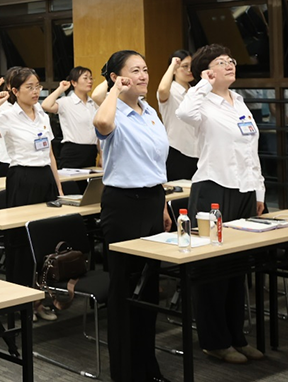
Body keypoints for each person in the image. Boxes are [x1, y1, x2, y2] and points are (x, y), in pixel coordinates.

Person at [176, 44, 264, 364]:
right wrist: (203, 84)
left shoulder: (238, 101)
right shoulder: (200, 101)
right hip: (212, 188)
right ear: (207, 71)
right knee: (212, 270)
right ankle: (215, 341)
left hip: (244, 190)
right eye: (221, 62)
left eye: (231, 60)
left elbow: (251, 150)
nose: (230, 65)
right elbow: (184, 114)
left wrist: (259, 191)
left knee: (237, 267)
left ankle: (236, 336)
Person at [93, 50, 172, 382]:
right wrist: (114, 90)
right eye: (135, 70)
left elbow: (155, 162)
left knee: (149, 289)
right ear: (117, 77)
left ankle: (147, 367)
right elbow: (102, 124)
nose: (143, 75)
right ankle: (125, 372)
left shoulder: (149, 110)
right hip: (123, 205)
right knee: (125, 291)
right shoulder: (112, 110)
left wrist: (163, 204)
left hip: (153, 200)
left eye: (145, 69)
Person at [0, 68, 62, 320]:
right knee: (22, 245)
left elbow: (49, 154)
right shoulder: (8, 114)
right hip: (22, 180)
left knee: (45, 243)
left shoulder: (42, 114)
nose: (36, 91)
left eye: (37, 86)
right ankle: (21, 304)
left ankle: (39, 300)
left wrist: (58, 188)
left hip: (45, 178)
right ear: (15, 90)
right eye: (29, 87)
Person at [42, 66, 99, 173]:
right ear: (74, 82)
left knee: (88, 182)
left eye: (91, 78)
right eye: (85, 78)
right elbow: (46, 105)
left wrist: (101, 154)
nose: (89, 81)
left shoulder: (94, 104)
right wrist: (60, 89)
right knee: (72, 183)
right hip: (72, 151)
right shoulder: (66, 102)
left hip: (91, 151)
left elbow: (98, 131)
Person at [157, 50, 199, 181]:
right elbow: (162, 90)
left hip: (198, 152)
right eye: (185, 66)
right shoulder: (171, 90)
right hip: (176, 150)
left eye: (191, 66)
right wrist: (172, 65)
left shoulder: (196, 92)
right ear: (174, 70)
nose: (189, 70)